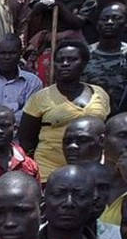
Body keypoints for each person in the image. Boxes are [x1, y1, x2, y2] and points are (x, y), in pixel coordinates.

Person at [21, 40, 112, 180]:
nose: (64, 64)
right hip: (49, 170)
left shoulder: (100, 94)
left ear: (84, 63)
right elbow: (26, 140)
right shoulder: (40, 98)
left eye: (72, 59)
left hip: (91, 171)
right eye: (59, 60)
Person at [41, 164, 126, 239]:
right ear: (44, 201)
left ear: (92, 203)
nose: (69, 203)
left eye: (80, 196)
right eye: (59, 194)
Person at [24, 0, 97, 67]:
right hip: (47, 44)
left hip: (72, 46)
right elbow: (33, 5)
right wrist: (45, 4)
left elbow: (78, 23)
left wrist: (59, 6)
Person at [84, 3, 127, 114]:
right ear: (97, 24)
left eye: (116, 18)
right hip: (90, 114)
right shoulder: (84, 54)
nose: (109, 22)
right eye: (105, 19)